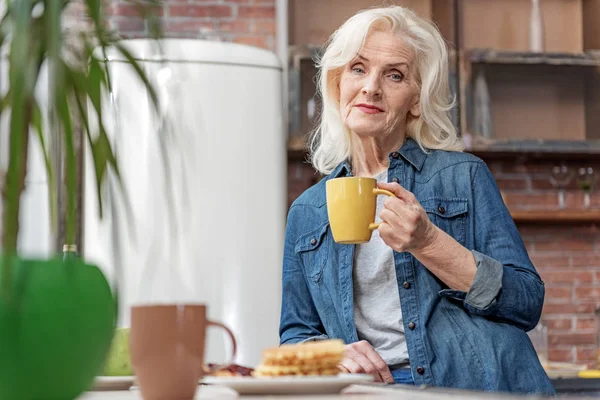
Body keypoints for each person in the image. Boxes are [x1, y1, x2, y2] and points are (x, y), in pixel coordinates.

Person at [279, 5, 555, 395]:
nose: (371, 87)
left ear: (415, 99)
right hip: (371, 391)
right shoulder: (307, 212)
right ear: (337, 82)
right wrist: (329, 353)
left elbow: (526, 303)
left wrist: (429, 242)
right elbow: (295, 334)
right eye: (358, 68)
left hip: (475, 389)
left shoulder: (462, 176)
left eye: (394, 75)